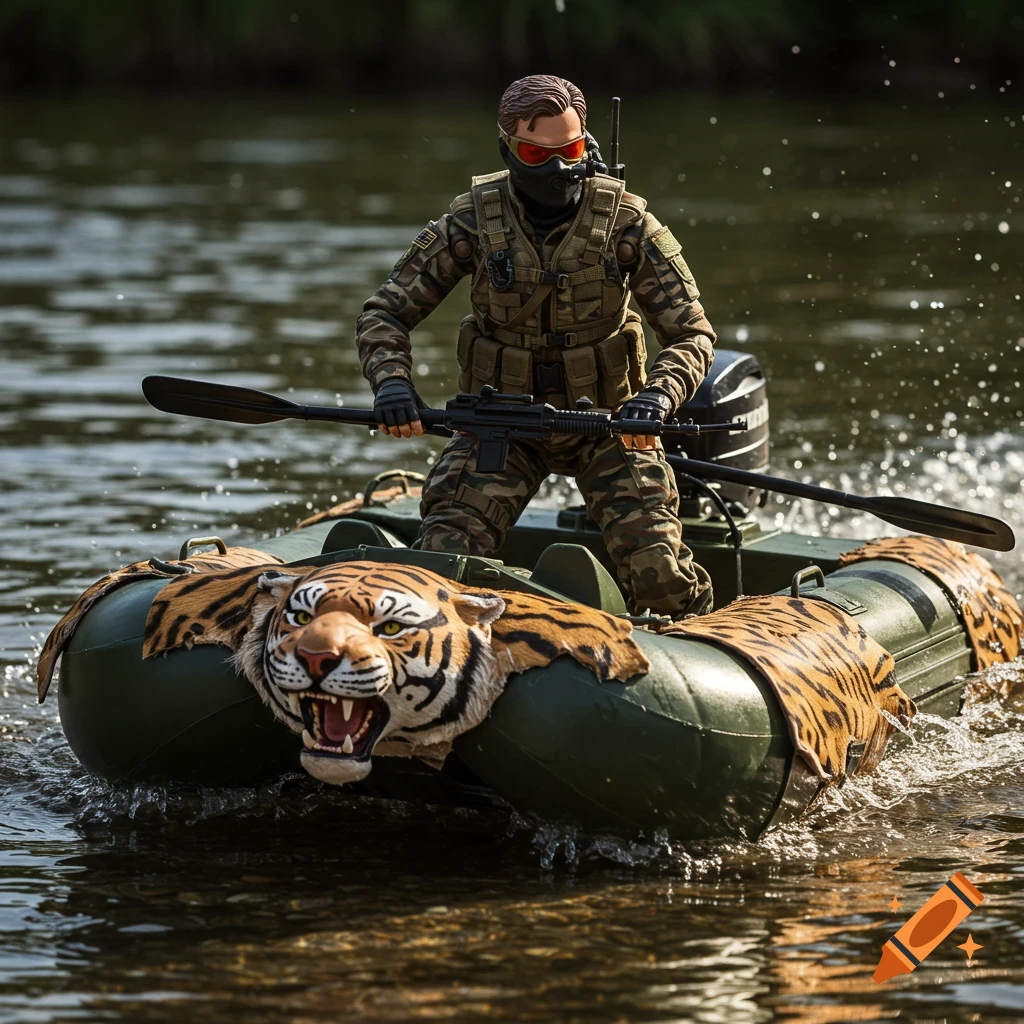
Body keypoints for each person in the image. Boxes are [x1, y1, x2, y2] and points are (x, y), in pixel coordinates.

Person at [355, 74, 717, 617]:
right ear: (509, 150)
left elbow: (692, 332)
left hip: (610, 424)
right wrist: (393, 386)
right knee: (441, 559)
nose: (556, 168)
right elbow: (386, 312)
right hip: (504, 423)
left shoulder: (626, 223)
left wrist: (657, 399)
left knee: (660, 575)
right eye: (535, 152)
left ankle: (701, 637)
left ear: (588, 142)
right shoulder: (474, 222)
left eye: (569, 150)